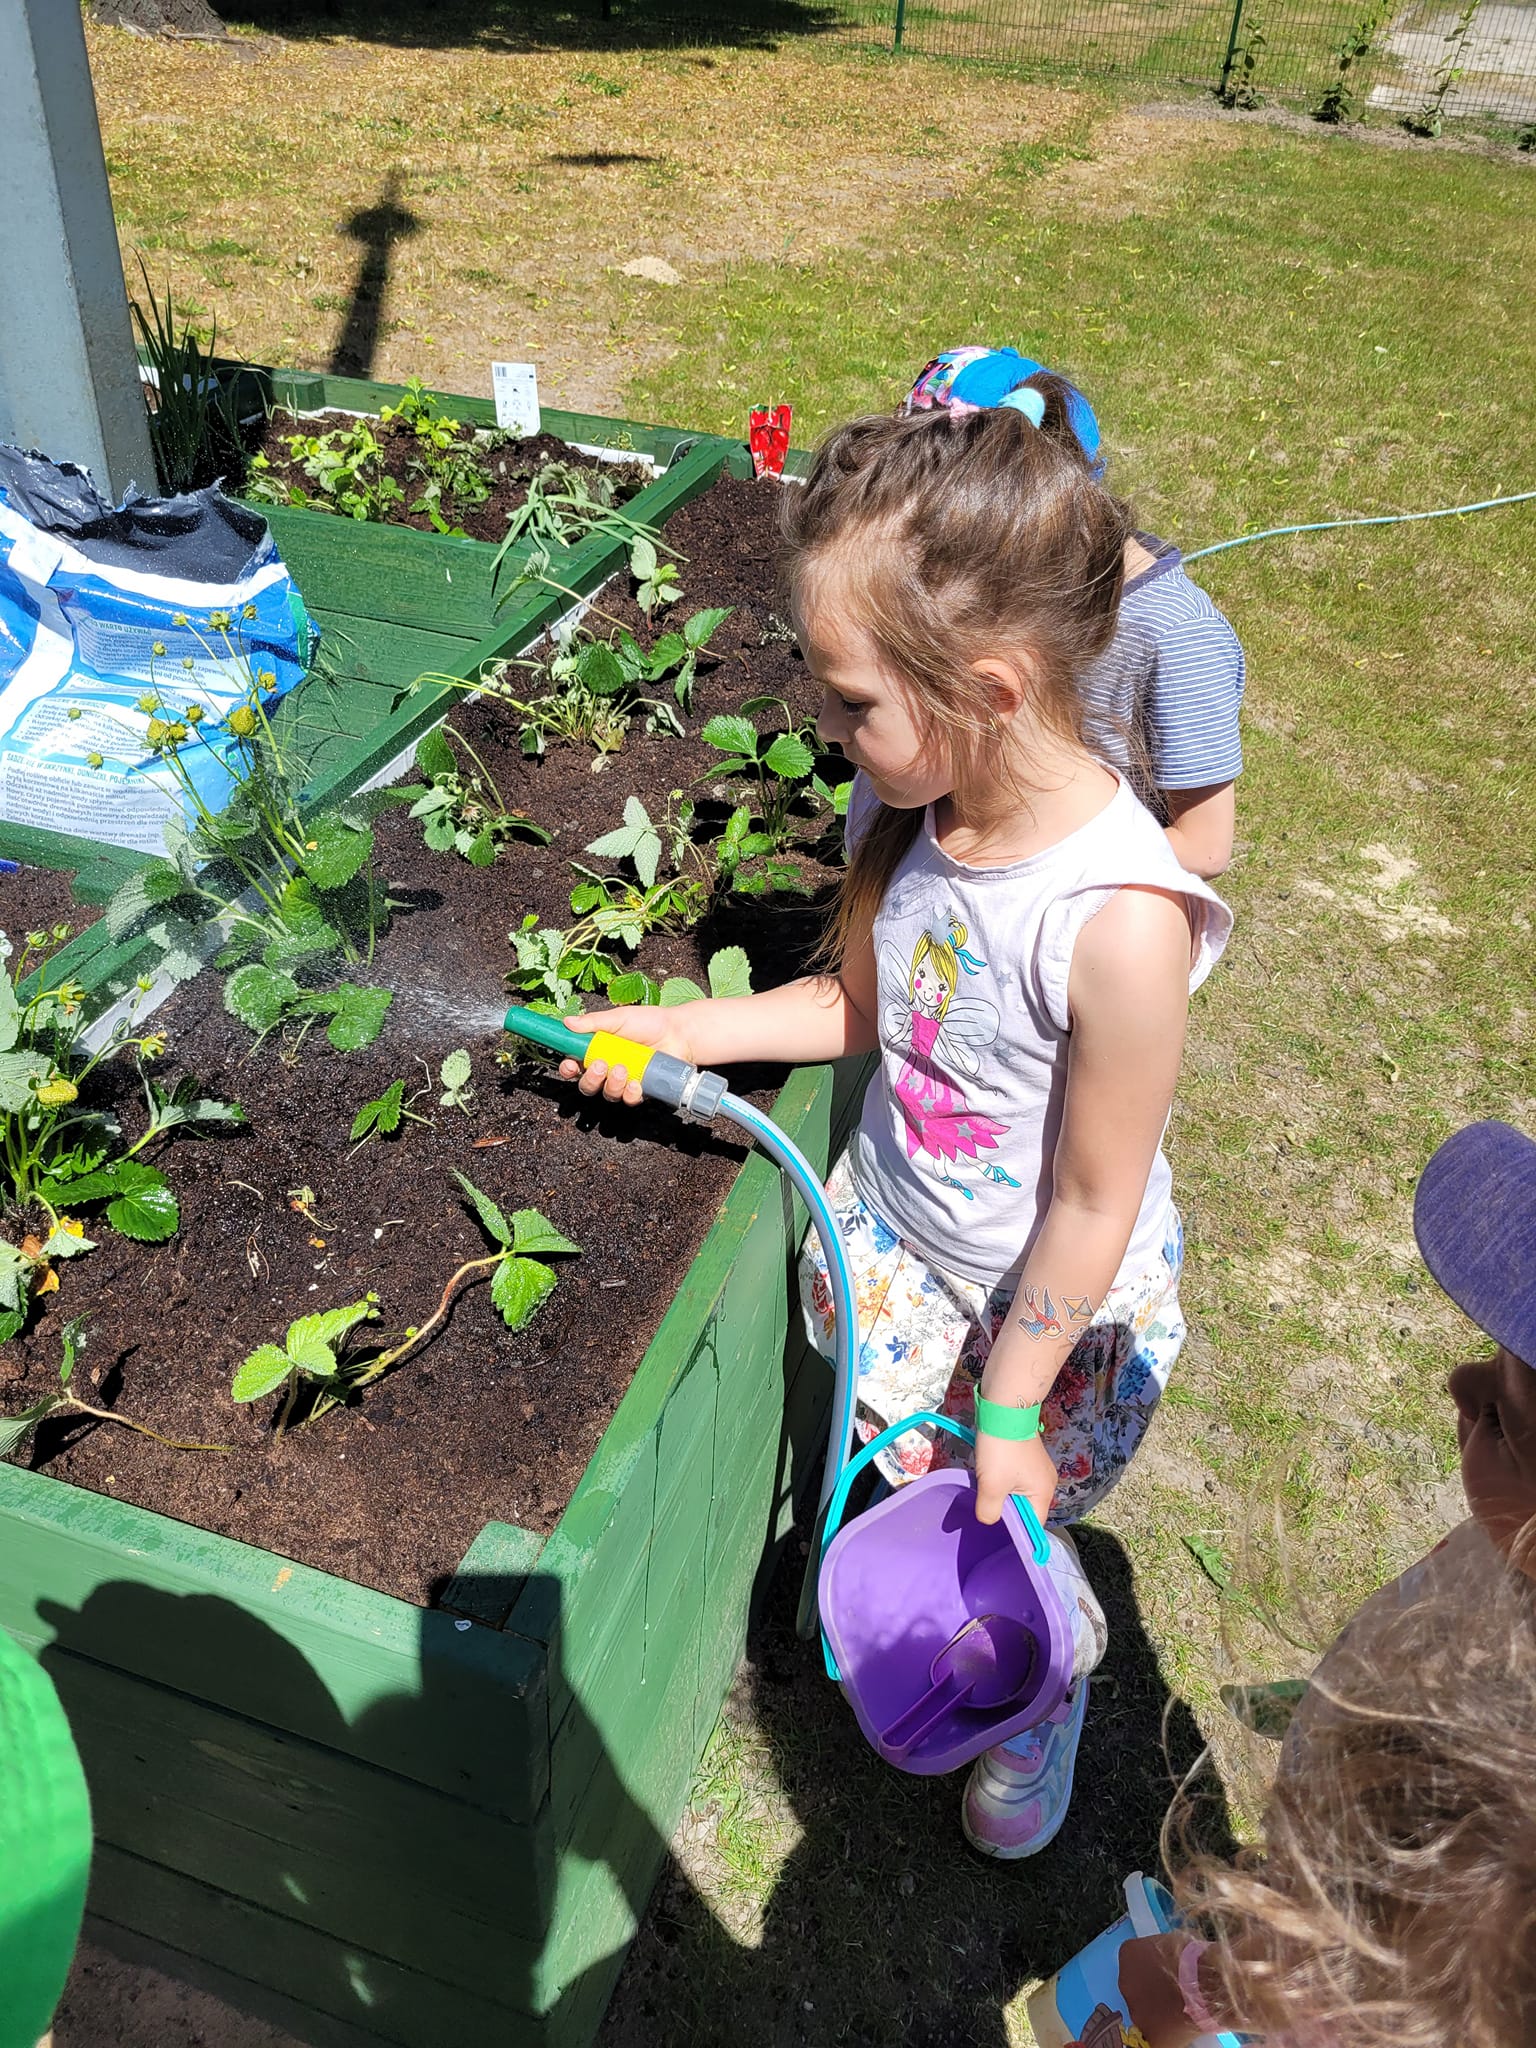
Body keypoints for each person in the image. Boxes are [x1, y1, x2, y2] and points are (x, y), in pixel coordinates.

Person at [555, 393, 1232, 1859]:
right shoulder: (909, 808)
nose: (831, 729)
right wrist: (679, 1033)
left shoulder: (1116, 922)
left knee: (1008, 1519)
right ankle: (933, 1609)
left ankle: (1041, 1687)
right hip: (912, 1252)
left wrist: (1013, 1405)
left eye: (854, 701)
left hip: (1037, 1310)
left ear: (989, 687)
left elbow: (1095, 1199)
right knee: (920, 1484)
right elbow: (861, 1008)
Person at [1030, 1117, 1536, 2048]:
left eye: (1500, 1417)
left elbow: (1363, 1957)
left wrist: (1208, 1988)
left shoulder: (1479, 1821)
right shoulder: (1511, 1554)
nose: (1459, 1383)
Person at [903, 346, 1245, 878]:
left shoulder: (1178, 636)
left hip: (1088, 895)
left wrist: (1020, 843)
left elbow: (1204, 847)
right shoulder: (1019, 579)